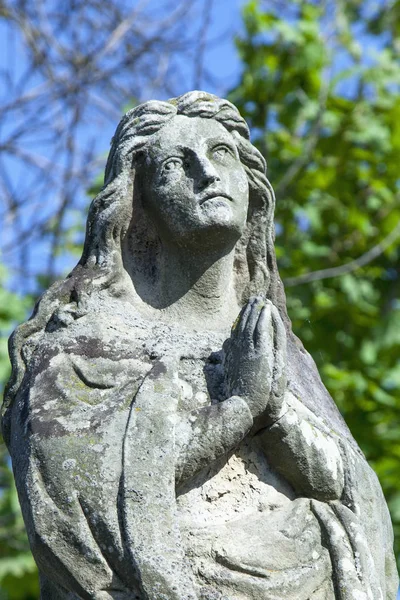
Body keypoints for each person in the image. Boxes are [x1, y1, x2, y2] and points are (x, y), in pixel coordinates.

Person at [2, 91, 398, 600]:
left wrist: (275, 413)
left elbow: (354, 493)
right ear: (138, 201)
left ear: (252, 185)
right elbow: (77, 507)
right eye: (174, 164)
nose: (206, 173)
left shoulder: (277, 347)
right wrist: (238, 409)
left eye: (221, 153)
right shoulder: (83, 350)